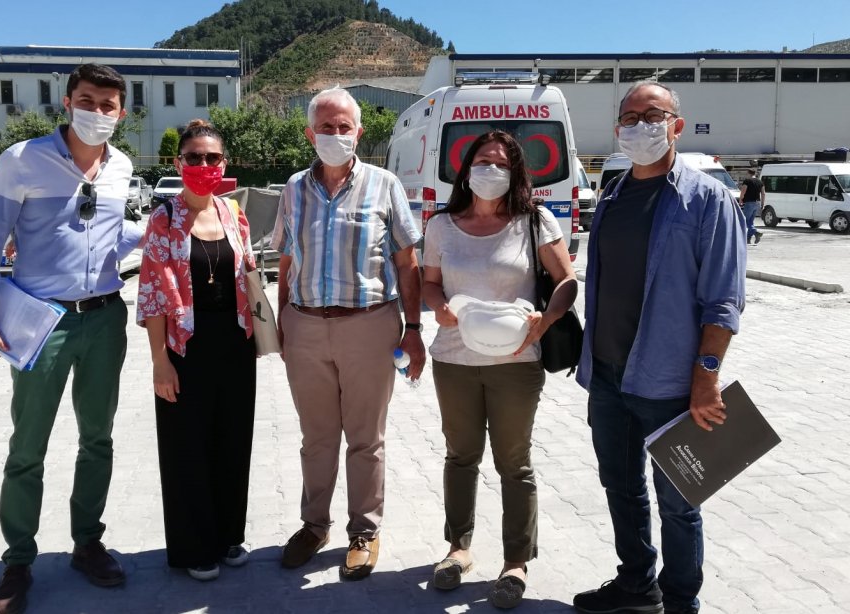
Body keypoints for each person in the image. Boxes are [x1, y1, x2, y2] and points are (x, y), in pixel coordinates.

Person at [0, 63, 143, 614]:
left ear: (121, 113)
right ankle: (18, 561)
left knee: (98, 439)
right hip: (42, 322)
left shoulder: (122, 167)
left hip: (104, 318)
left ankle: (88, 544)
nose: (96, 112)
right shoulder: (22, 160)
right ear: (67, 102)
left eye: (107, 105)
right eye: (87, 100)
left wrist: (160, 229)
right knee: (28, 446)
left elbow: (110, 235)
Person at [572, 81, 746, 614]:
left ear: (677, 125)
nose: (640, 126)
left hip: (670, 381)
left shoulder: (707, 199)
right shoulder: (613, 195)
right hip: (608, 375)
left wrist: (707, 376)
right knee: (620, 488)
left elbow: (724, 299)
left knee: (680, 501)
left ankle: (680, 601)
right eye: (629, 118)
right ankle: (636, 585)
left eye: (653, 115)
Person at [271, 87, 425, 580]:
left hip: (369, 327)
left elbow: (408, 263)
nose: (335, 135)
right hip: (306, 327)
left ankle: (364, 530)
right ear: (309, 133)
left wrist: (414, 329)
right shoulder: (293, 188)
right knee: (316, 438)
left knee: (365, 439)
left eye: (344, 127)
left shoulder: (385, 185)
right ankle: (314, 526)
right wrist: (283, 319)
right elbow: (286, 259)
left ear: (358, 132)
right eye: (326, 127)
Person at [421, 131, 577, 608]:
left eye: (502, 164)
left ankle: (516, 562)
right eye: (483, 161)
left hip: (516, 363)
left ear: (517, 173)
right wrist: (439, 306)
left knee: (514, 463)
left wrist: (546, 319)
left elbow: (567, 280)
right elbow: (429, 283)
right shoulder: (442, 225)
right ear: (467, 168)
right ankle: (458, 549)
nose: (491, 170)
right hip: (454, 359)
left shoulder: (534, 220)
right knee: (460, 456)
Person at [135, 119, 257, 581]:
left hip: (235, 343)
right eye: (194, 157)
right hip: (185, 345)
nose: (204, 164)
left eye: (212, 157)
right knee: (187, 446)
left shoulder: (233, 214)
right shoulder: (163, 220)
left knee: (233, 440)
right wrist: (159, 362)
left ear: (224, 163)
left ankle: (228, 535)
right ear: (178, 162)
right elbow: (152, 295)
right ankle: (194, 546)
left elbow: (248, 277)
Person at [739, 168, 765, 245]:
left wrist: (740, 200)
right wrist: (762, 204)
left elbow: (743, 191)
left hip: (749, 202)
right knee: (750, 221)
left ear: (748, 173)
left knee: (745, 220)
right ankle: (748, 239)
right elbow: (763, 193)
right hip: (757, 203)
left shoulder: (747, 181)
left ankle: (756, 232)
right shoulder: (760, 182)